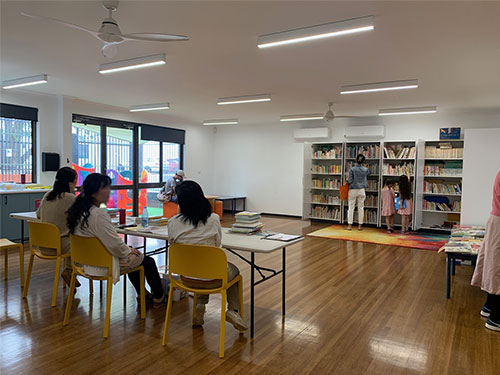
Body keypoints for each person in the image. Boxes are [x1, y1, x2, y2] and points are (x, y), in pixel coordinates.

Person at [67, 173, 165, 304]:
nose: (109, 191)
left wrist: (128, 250)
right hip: (102, 264)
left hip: (84, 262)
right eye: (105, 187)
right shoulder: (98, 214)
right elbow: (114, 245)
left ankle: (143, 294)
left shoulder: (78, 211)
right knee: (146, 261)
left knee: (134, 257)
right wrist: (128, 250)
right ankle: (159, 297)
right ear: (93, 192)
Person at [167, 180, 248, 331]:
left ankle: (200, 305)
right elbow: (217, 244)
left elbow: (172, 241)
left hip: (186, 277)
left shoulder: (172, 222)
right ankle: (233, 311)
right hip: (212, 278)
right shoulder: (213, 219)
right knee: (233, 271)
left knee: (198, 267)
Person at [36, 166, 79, 287]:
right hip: (60, 246)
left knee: (69, 238)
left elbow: (38, 215)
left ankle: (69, 271)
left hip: (43, 244)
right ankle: (70, 270)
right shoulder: (70, 198)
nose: (75, 185)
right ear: (70, 183)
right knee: (81, 242)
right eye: (75, 182)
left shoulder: (47, 195)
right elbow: (81, 219)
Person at [471, 170, 500, 332]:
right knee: (496, 268)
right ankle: (495, 318)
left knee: (493, 264)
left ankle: (489, 306)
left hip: (496, 220)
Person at [347, 154, 370, 231]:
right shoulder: (365, 169)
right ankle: (360, 226)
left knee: (351, 207)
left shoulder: (352, 169)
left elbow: (350, 180)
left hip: (353, 189)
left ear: (356, 160)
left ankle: (350, 225)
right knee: (361, 208)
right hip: (361, 190)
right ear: (363, 161)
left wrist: (347, 183)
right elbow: (368, 173)